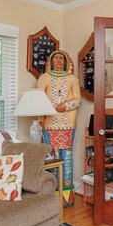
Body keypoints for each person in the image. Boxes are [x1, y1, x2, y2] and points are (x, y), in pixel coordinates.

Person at [37, 50, 80, 207]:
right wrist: (41, 119)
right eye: (56, 58)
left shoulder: (72, 79)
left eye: (62, 58)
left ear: (66, 62)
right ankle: (53, 193)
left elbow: (78, 99)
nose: (59, 61)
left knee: (67, 155)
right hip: (49, 124)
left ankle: (67, 193)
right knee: (53, 156)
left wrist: (66, 106)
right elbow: (39, 99)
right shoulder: (44, 78)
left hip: (68, 124)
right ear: (51, 61)